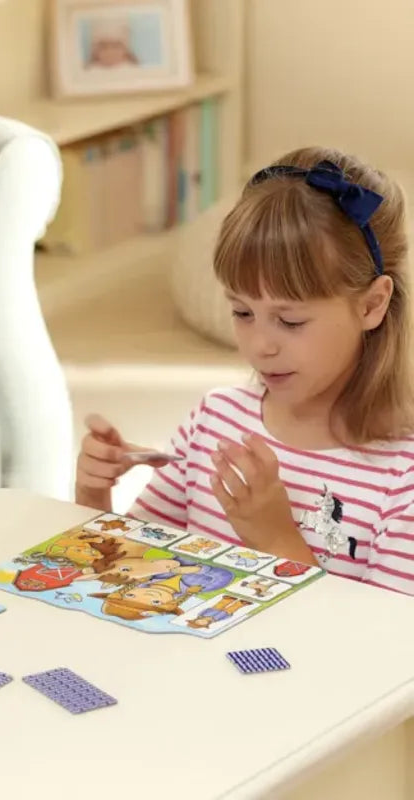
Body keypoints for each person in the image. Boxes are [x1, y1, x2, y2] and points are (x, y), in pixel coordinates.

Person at [76, 147, 414, 595]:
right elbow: (130, 569)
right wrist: (93, 497)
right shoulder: (216, 420)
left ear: (372, 304)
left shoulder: (400, 476)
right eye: (241, 312)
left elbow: (382, 648)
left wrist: (276, 539)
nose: (260, 346)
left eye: (290, 321)